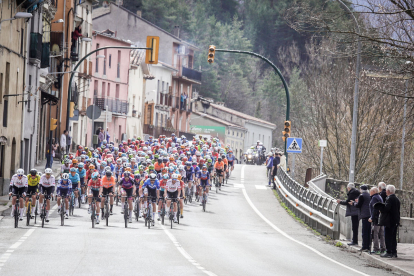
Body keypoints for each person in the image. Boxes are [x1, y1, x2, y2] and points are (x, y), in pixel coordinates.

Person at [375, 185, 400, 258]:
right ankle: (394, 252)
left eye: (386, 190)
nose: (385, 191)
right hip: (395, 220)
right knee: (393, 237)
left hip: (389, 221)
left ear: (388, 191)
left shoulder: (389, 198)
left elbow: (387, 209)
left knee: (388, 237)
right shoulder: (396, 199)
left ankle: (389, 251)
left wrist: (381, 208)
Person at [352, 185, 371, 252]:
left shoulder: (362, 196)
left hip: (364, 215)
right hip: (369, 215)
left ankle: (364, 246)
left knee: (364, 232)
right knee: (368, 232)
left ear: (361, 189)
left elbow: (358, 205)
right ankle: (368, 246)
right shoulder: (369, 195)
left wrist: (354, 203)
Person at [368, 187, 386, 254]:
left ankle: (376, 249)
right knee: (381, 234)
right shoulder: (379, 197)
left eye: (370, 191)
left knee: (375, 234)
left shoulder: (374, 198)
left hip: (376, 219)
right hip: (380, 218)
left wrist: (372, 218)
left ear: (373, 191)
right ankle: (383, 248)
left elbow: (374, 209)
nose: (370, 192)